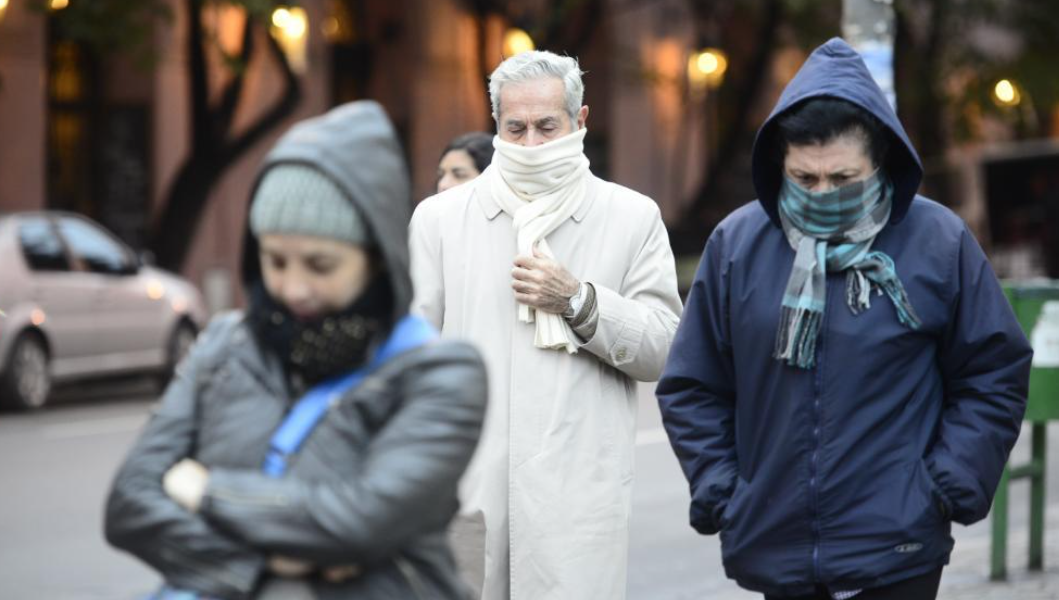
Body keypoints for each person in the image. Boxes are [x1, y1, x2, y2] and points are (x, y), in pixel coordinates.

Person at [657, 37, 1032, 600]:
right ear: (780, 163)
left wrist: (945, 486)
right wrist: (724, 491)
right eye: (804, 180)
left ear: (879, 160)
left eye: (843, 179)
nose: (823, 195)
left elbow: (993, 373)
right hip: (773, 543)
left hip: (898, 548)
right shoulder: (736, 245)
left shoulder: (938, 241)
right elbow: (693, 383)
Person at [104, 101, 488, 600]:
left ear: (376, 257)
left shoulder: (441, 373)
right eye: (274, 260)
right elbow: (130, 503)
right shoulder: (225, 344)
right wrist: (265, 565)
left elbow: (360, 521)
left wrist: (204, 490)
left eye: (321, 264)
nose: (294, 287)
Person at [409, 50, 682, 600]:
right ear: (497, 128)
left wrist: (579, 302)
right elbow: (411, 361)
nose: (531, 143)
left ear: (580, 122)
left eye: (546, 126)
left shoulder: (632, 217)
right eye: (516, 128)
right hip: (463, 497)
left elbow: (663, 348)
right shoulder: (439, 220)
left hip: (575, 507)